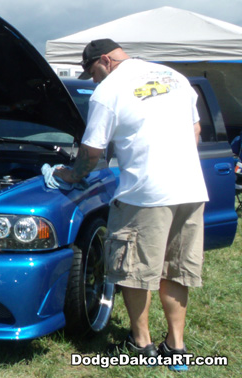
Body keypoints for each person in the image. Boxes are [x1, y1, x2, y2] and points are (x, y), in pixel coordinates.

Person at [53, 39, 208, 371]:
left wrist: (67, 174)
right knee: (176, 269)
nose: (92, 80)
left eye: (92, 71)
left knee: (135, 271)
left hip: (144, 194)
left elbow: (92, 154)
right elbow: (195, 130)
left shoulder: (109, 90)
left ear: (106, 61)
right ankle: (176, 347)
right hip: (191, 189)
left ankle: (141, 344)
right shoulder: (174, 77)